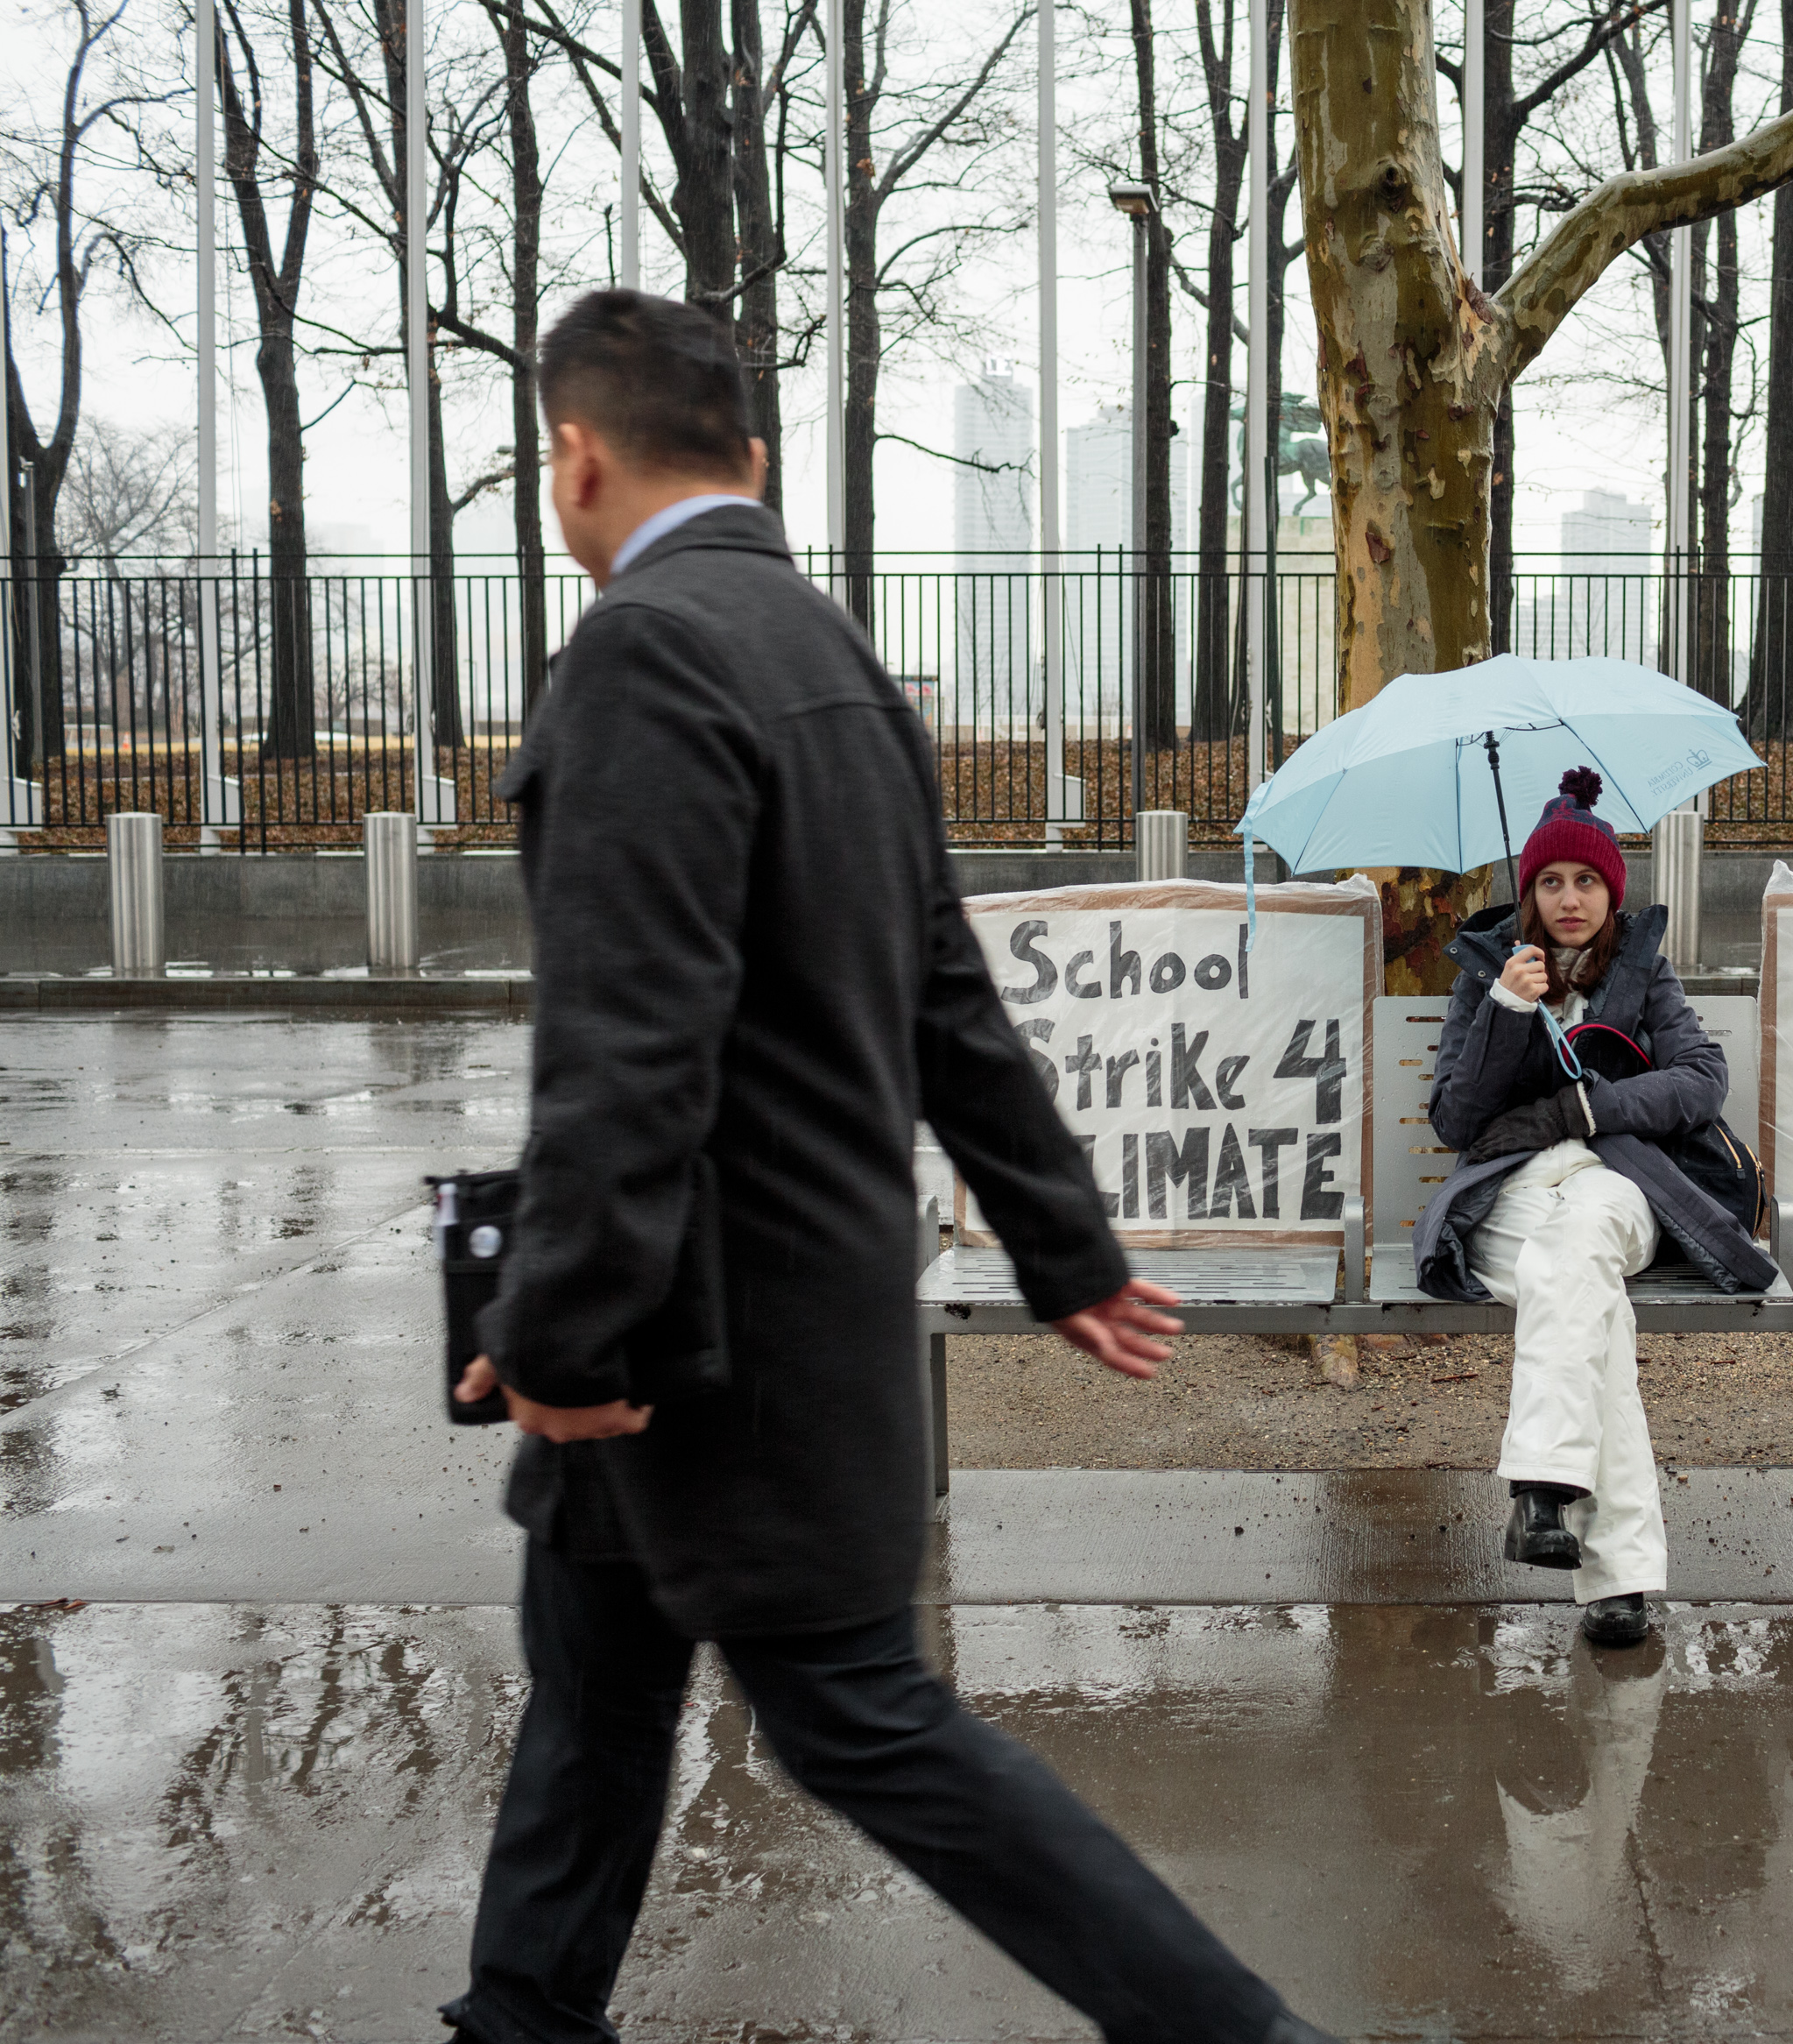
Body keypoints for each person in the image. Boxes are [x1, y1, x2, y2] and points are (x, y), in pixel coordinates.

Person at [441, 290, 1331, 2044]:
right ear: (751, 456)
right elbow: (951, 999)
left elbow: (627, 1055)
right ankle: (517, 2021)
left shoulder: (640, 652)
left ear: (574, 454)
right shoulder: (830, 655)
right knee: (594, 1703)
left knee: (863, 1718)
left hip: (695, 1353)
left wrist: (560, 1335)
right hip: (770, 1318)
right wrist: (1065, 1245)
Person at [1413, 769, 1778, 1647]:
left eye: (1585, 880)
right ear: (1528, 894)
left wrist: (1588, 1109)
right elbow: (1453, 1119)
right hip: (1510, 1197)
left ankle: (1541, 1489)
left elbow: (1700, 1080)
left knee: (1576, 1250)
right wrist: (1506, 1007)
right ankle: (1615, 1581)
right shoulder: (1489, 974)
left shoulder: (1643, 970)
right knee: (1580, 1295)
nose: (1569, 898)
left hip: (1616, 1183)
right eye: (1549, 881)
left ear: (1611, 888)